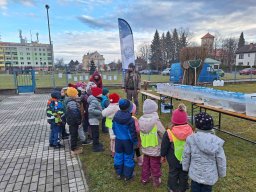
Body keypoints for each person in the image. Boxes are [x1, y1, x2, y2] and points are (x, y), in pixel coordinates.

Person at [182, 112, 226, 192]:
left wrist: (185, 167)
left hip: (195, 172)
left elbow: (186, 155)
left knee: (194, 189)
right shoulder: (216, 141)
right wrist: (222, 173)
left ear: (196, 125)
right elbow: (221, 159)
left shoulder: (191, 139)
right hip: (209, 175)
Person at [161, 103, 193, 192]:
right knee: (184, 173)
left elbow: (164, 146)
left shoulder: (169, 132)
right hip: (186, 157)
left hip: (173, 158)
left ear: (173, 120)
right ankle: (183, 187)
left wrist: (162, 156)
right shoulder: (191, 131)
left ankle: (172, 188)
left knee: (173, 173)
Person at [139, 99, 165, 187]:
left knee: (145, 165)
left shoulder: (140, 120)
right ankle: (156, 180)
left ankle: (144, 178)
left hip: (145, 148)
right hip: (155, 149)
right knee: (155, 165)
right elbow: (163, 133)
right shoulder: (156, 121)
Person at [113, 99, 138, 181]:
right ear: (129, 108)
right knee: (128, 157)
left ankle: (119, 173)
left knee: (119, 156)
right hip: (127, 142)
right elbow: (132, 133)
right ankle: (127, 175)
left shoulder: (115, 116)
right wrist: (135, 142)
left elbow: (113, 128)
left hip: (118, 140)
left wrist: (117, 135)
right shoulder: (130, 119)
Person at [65, 87, 83, 156]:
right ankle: (73, 149)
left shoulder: (70, 101)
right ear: (73, 95)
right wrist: (79, 121)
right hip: (73, 122)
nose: (77, 96)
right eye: (76, 94)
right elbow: (75, 113)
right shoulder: (72, 103)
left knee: (73, 134)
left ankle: (74, 147)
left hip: (71, 121)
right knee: (74, 135)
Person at [102, 93, 120, 157]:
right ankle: (116, 151)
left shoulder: (111, 107)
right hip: (117, 124)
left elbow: (103, 113)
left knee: (113, 138)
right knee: (116, 137)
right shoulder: (118, 106)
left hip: (111, 125)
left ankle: (113, 152)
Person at [87, 86, 104, 152]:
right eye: (100, 93)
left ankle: (97, 143)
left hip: (95, 119)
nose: (102, 94)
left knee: (96, 132)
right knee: (95, 133)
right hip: (93, 119)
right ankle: (95, 147)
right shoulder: (94, 101)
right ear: (97, 94)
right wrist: (100, 112)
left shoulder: (95, 100)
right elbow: (90, 110)